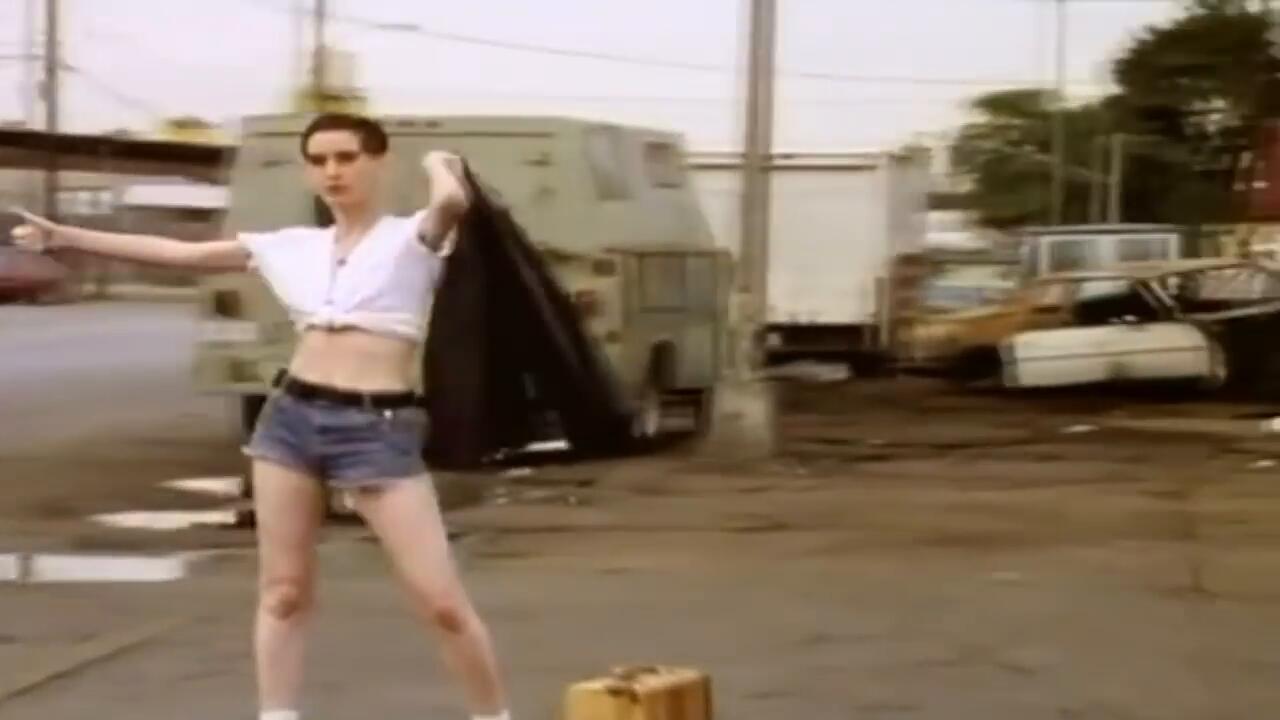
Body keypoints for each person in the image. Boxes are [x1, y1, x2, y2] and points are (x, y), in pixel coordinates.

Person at [10, 112, 511, 720]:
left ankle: (492, 715)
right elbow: (183, 253)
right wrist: (65, 235)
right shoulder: (291, 247)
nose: (333, 171)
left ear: (379, 162)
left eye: (347, 157)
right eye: (319, 160)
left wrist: (439, 162)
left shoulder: (412, 239)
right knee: (283, 593)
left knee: (442, 603)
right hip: (291, 422)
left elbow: (452, 202)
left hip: (377, 429)